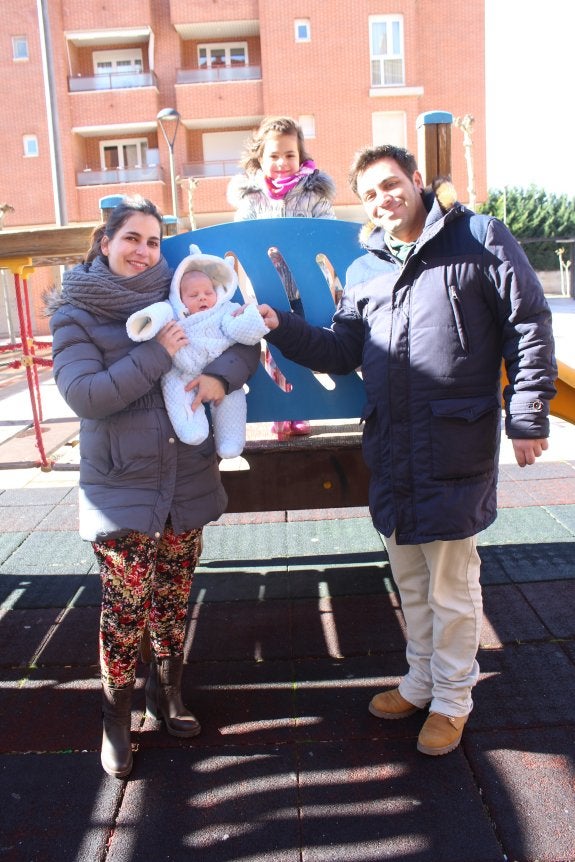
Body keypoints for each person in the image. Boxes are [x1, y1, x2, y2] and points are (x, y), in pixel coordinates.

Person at [254, 144, 557, 756]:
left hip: (454, 440)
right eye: (368, 194)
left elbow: (528, 323)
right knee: (411, 579)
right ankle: (422, 680)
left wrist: (527, 416)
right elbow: (343, 350)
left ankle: (453, 698)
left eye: (391, 185)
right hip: (392, 444)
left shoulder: (478, 238)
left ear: (417, 181)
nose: (382, 200)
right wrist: (281, 328)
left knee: (450, 580)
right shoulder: (367, 270)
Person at [47, 195, 260, 779]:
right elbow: (85, 395)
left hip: (185, 471)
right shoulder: (75, 311)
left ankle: (166, 693)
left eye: (153, 241)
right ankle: (114, 717)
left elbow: (240, 344)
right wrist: (154, 354)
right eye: (131, 239)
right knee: (125, 603)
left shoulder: (185, 290)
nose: (144, 252)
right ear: (104, 243)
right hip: (122, 479)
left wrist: (219, 378)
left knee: (171, 592)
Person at [227, 115, 336, 439]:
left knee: (300, 346)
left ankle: (299, 410)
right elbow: (241, 239)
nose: (282, 162)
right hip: (265, 287)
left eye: (290, 155)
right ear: (260, 158)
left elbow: (325, 235)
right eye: (274, 156)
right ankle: (281, 413)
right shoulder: (252, 197)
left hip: (303, 288)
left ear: (300, 156)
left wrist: (314, 259)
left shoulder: (313, 194)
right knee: (272, 351)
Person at [126, 248, 269, 458]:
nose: (202, 298)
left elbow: (240, 329)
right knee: (176, 391)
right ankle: (192, 428)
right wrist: (146, 322)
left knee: (230, 397)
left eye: (208, 293)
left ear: (217, 292)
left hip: (221, 370)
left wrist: (252, 320)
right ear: (179, 297)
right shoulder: (173, 310)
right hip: (183, 371)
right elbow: (158, 313)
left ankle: (230, 440)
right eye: (193, 295)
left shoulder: (224, 309)